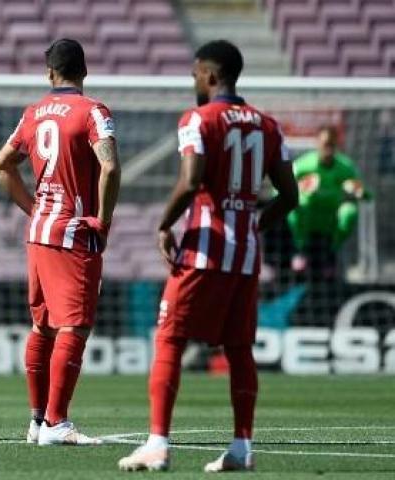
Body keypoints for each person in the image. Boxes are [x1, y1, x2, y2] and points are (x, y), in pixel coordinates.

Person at [118, 40, 298, 472]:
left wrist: (164, 224)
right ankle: (241, 448)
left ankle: (157, 444)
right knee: (239, 349)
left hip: (204, 250)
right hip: (246, 256)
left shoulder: (199, 120)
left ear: (211, 75)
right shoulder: (268, 126)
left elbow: (191, 179)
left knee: (170, 339)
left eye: (196, 74)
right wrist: (254, 225)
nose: (194, 82)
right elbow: (289, 197)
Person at [0, 38, 121, 446]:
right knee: (75, 326)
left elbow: (1, 167)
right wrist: (103, 220)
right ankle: (57, 423)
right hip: (72, 233)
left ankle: (36, 422)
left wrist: (34, 209)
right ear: (84, 71)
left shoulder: (33, 114)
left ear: (50, 73)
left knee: (43, 326)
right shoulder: (93, 111)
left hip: (39, 232)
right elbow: (111, 166)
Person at [287, 125, 369, 277]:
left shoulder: (345, 167)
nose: (328, 149)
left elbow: (366, 194)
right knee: (295, 206)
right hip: (308, 219)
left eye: (332, 144)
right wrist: (300, 187)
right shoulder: (303, 165)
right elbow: (278, 189)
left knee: (349, 212)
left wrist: (355, 191)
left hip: (331, 221)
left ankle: (332, 253)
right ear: (317, 143)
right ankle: (300, 250)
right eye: (325, 144)